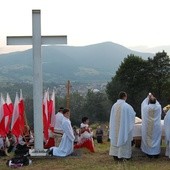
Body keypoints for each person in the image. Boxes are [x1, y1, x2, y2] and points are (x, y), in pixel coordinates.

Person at [109, 91, 136, 160]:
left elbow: (111, 117)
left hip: (115, 128)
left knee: (115, 139)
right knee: (124, 138)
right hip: (124, 129)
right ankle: (124, 156)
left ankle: (115, 155)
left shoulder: (114, 105)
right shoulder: (127, 106)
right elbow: (132, 115)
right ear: (125, 97)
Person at [141, 93, 162, 158]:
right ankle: (156, 153)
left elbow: (143, 103)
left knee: (148, 138)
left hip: (148, 127)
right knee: (156, 139)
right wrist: (152, 97)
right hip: (156, 127)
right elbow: (157, 103)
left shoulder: (145, 108)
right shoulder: (158, 107)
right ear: (155, 101)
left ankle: (149, 153)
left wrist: (148, 97)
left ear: (149, 101)